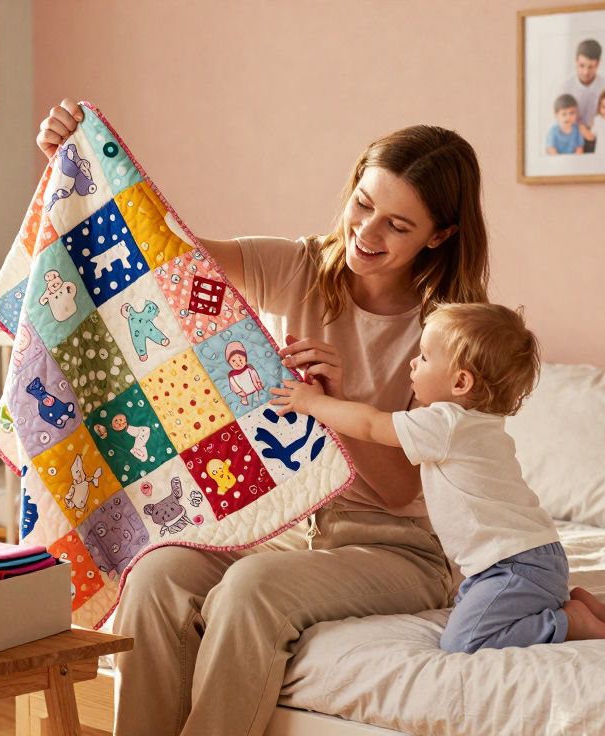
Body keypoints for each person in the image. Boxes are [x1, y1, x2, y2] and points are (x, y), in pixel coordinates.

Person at [36, 98, 489, 736]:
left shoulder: (447, 333)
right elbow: (162, 255)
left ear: (438, 236)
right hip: (286, 517)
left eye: (397, 225)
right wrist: (77, 167)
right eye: (362, 204)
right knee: (157, 575)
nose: (366, 233)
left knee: (251, 590)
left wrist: (333, 404)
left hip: (399, 547)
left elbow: (398, 491)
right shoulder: (304, 268)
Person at [270, 303, 605, 653]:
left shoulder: (446, 423)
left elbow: (370, 424)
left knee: (464, 641)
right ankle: (570, 600)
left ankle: (568, 622)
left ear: (460, 382)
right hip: (520, 561)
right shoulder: (474, 423)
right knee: (468, 605)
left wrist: (312, 403)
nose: (413, 362)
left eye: (424, 357)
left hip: (514, 566)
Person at [562, 39, 605, 153]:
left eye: (591, 67)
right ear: (575, 61)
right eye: (582, 65)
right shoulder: (566, 87)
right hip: (572, 139)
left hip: (598, 138)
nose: (586, 72)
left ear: (598, 64)